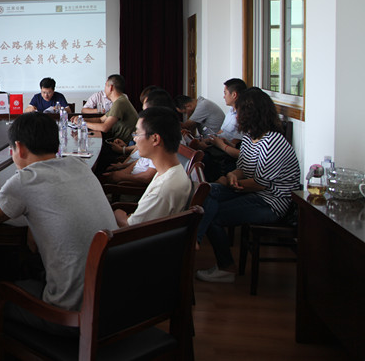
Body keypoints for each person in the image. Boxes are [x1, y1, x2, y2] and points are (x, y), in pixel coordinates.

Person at [0, 112, 117, 335]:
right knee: (30, 265)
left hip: (72, 316)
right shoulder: (78, 165)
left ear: (19, 148)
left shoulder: (26, 180)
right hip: (113, 304)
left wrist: (26, 208)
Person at [195, 87, 300, 283]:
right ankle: (196, 239)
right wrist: (232, 176)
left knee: (213, 215)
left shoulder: (272, 142)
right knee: (208, 190)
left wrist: (233, 183)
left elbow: (260, 184)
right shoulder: (251, 138)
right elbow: (242, 168)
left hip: (271, 202)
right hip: (253, 191)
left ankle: (225, 267)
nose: (236, 116)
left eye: (239, 111)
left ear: (250, 114)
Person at [113, 107, 193, 228]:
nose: (134, 139)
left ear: (155, 139)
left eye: (137, 133)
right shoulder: (172, 169)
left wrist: (116, 212)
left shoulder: (163, 190)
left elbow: (131, 227)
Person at [78, 74, 138, 143]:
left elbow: (104, 127)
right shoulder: (120, 100)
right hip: (120, 141)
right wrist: (82, 119)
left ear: (111, 87)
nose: (104, 88)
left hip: (125, 144)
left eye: (105, 85)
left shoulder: (119, 102)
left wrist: (82, 123)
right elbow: (101, 120)